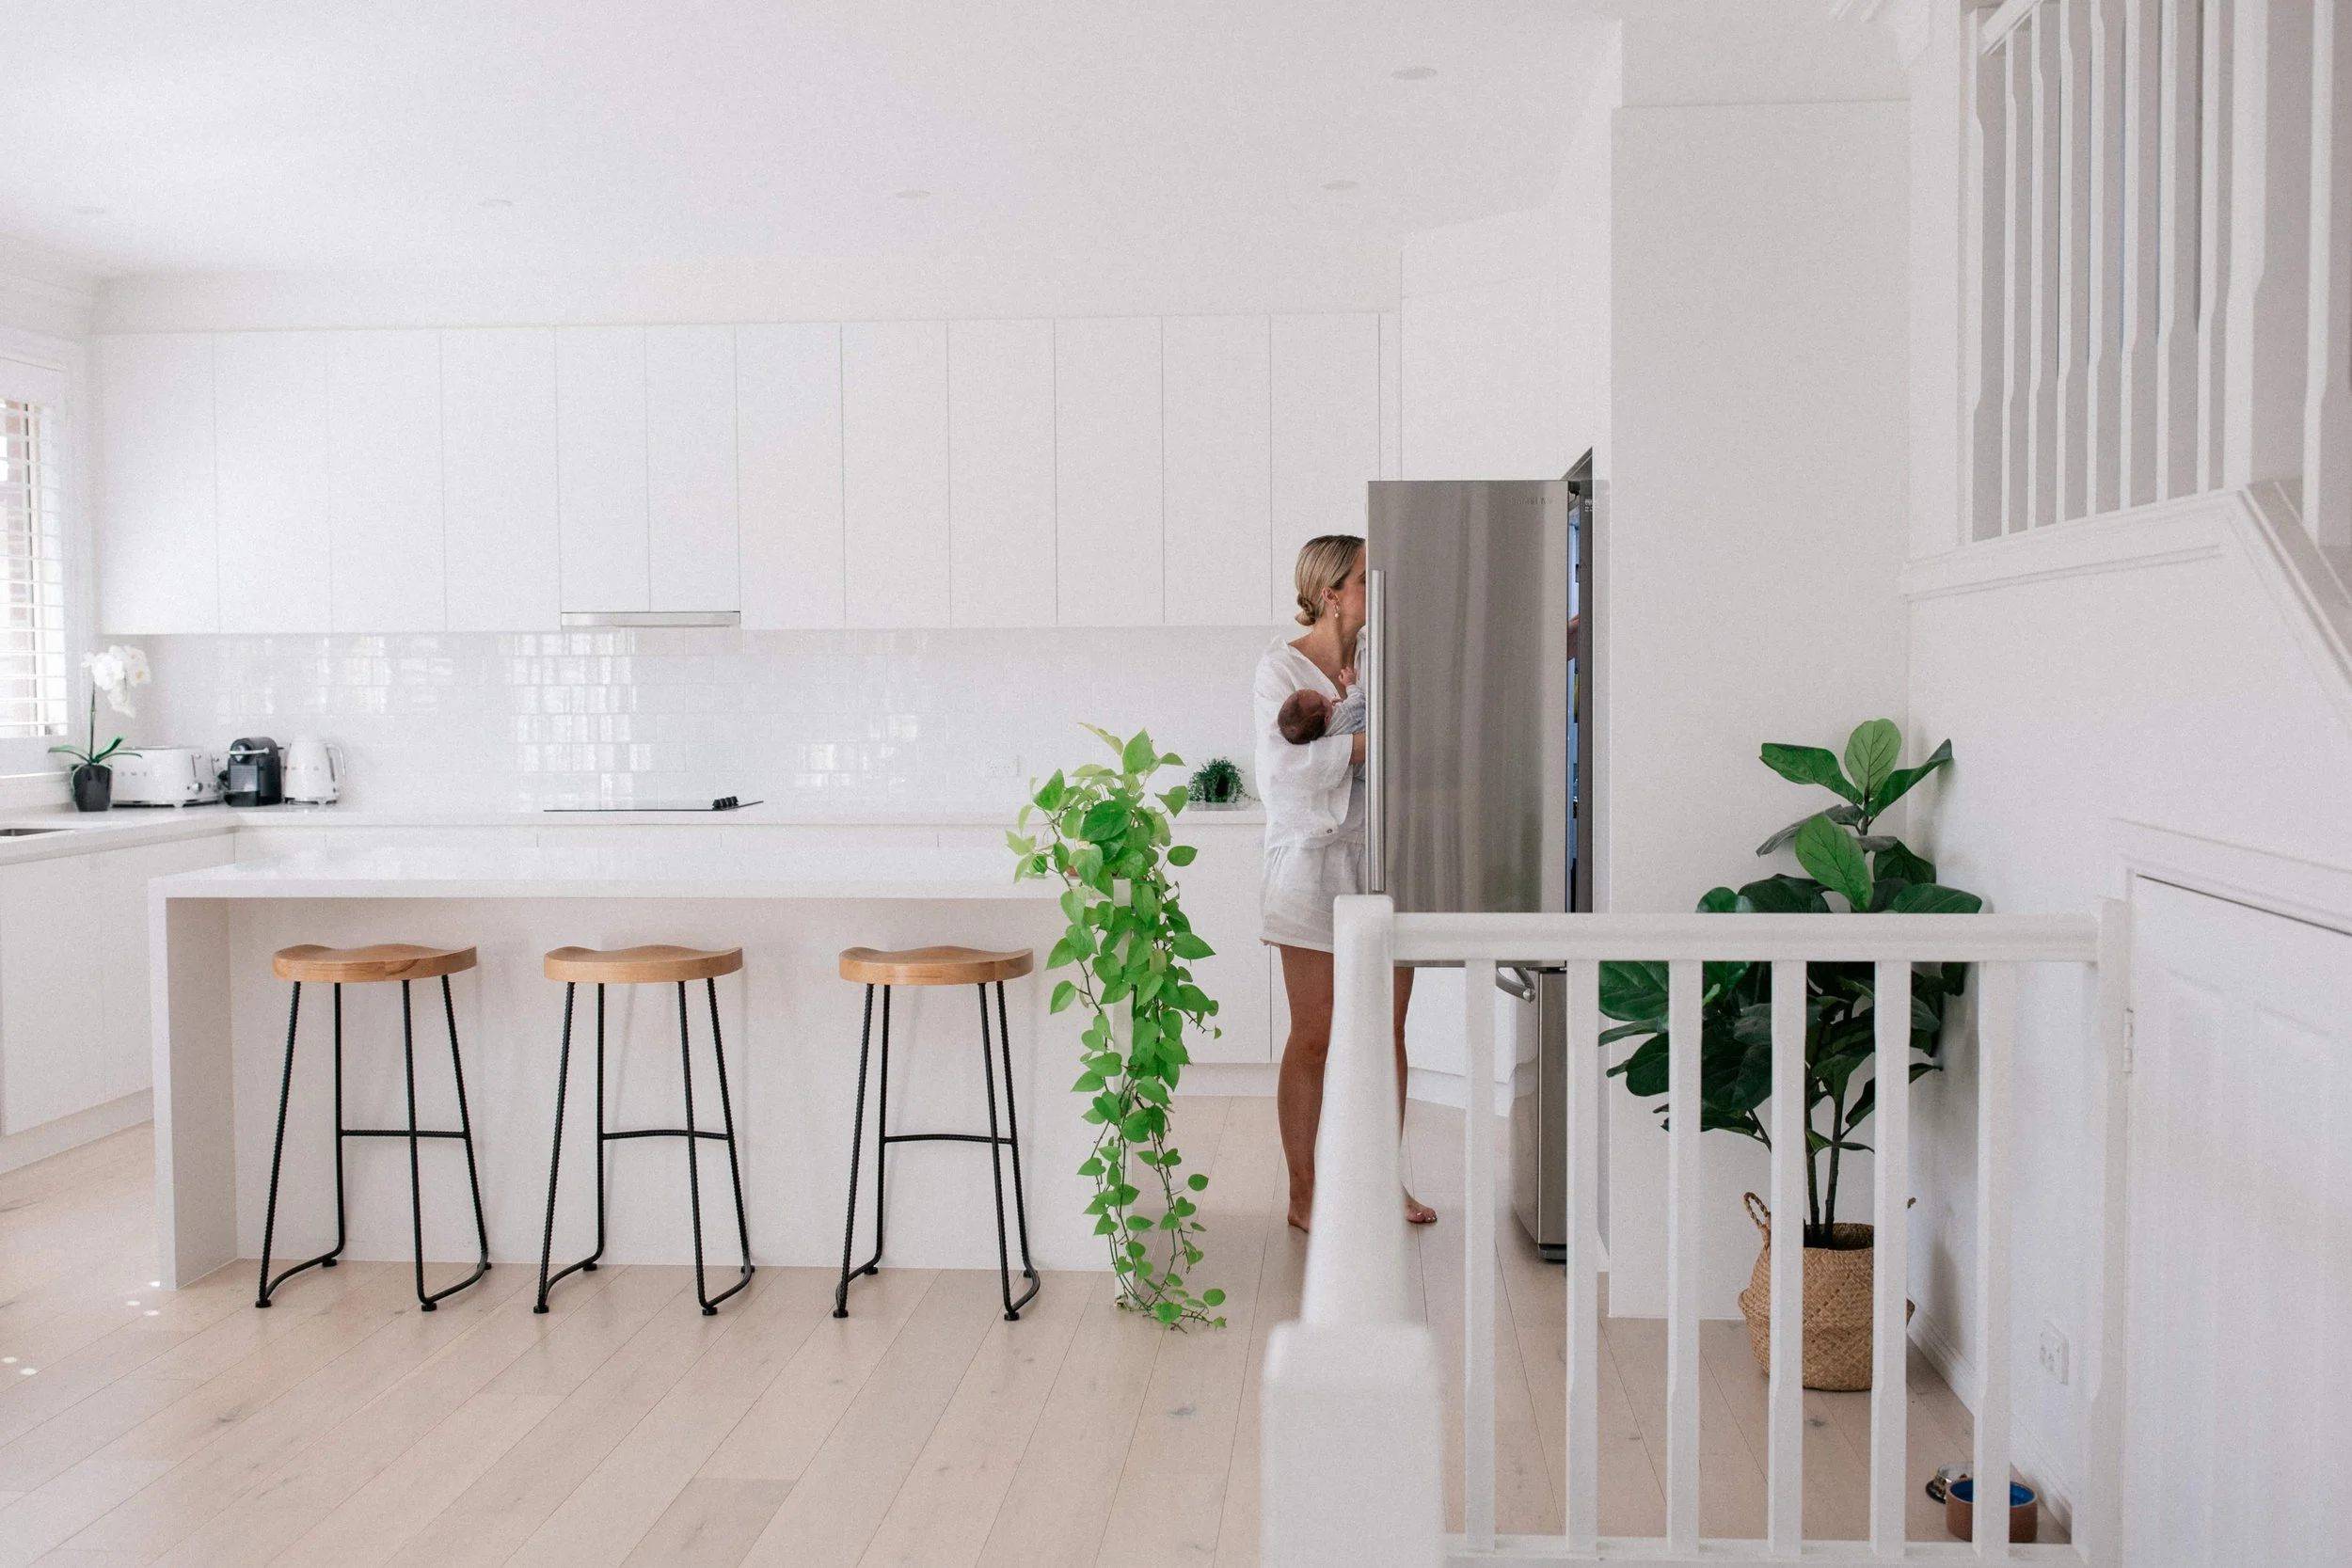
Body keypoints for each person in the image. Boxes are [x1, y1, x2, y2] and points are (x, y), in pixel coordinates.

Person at [1254, 533, 1434, 1230]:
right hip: (1310, 864)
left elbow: (1422, 742)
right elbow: (1285, 771)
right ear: (1331, 593)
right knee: (1317, 1032)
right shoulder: (1280, 669)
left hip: (1386, 858)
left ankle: (1379, 1184)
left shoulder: (1383, 661)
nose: (1374, 589)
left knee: (1389, 1029)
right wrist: (1370, 744)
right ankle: (1305, 1193)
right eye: (1364, 578)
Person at [1275, 683, 1364, 746]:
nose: (1321, 694)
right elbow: (1360, 702)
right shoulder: (1343, 713)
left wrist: (1341, 704)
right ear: (1327, 718)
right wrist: (1350, 684)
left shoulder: (1321, 737)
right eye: (1319, 696)